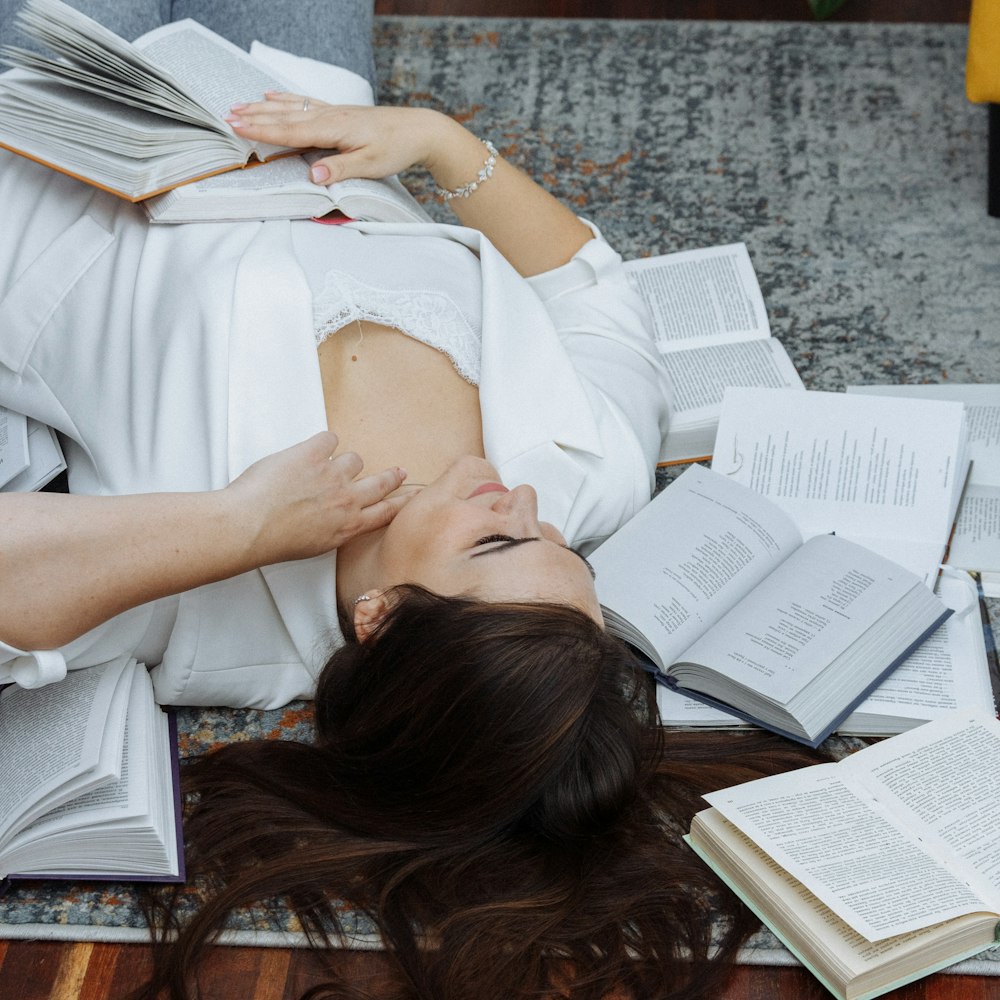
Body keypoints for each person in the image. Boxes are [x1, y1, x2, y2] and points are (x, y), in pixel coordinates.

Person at [0, 2, 826, 997]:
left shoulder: (214, 617)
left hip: (55, 133)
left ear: (382, 619)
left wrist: (236, 526)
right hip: (288, 97)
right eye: (556, 543)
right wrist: (438, 143)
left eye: (492, 544)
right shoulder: (581, 471)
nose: (517, 497)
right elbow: (594, 296)